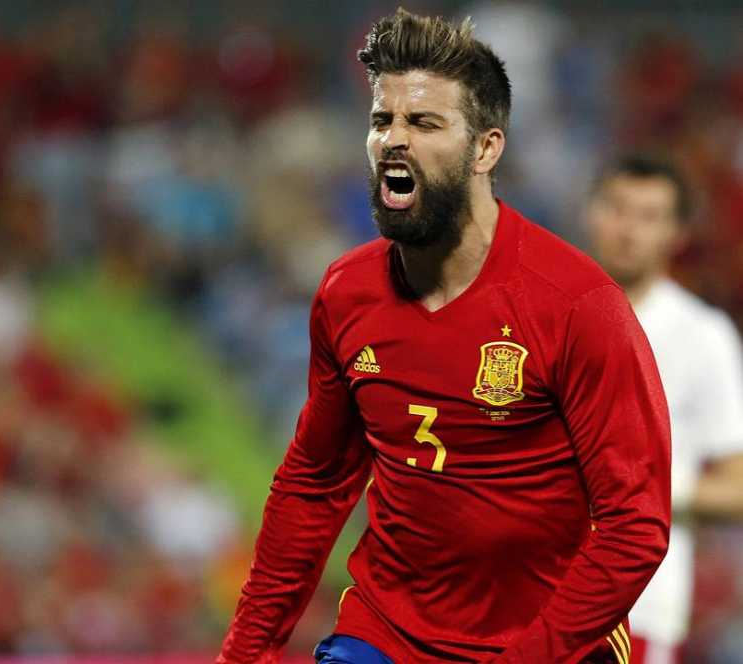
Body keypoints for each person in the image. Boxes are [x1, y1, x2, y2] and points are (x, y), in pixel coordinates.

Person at [216, 9, 670, 664]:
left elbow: (634, 529)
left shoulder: (579, 307)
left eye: (424, 123)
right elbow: (314, 483)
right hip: (387, 636)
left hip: (547, 645)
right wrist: (245, 653)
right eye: (383, 121)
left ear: (485, 148)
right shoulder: (347, 294)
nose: (393, 141)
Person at [586, 154, 743, 664]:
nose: (629, 229)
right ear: (592, 213)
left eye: (649, 216)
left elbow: (738, 485)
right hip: (522, 594)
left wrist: (647, 489)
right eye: (617, 209)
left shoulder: (703, 336)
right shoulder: (540, 313)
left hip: (638, 610)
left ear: (677, 236)